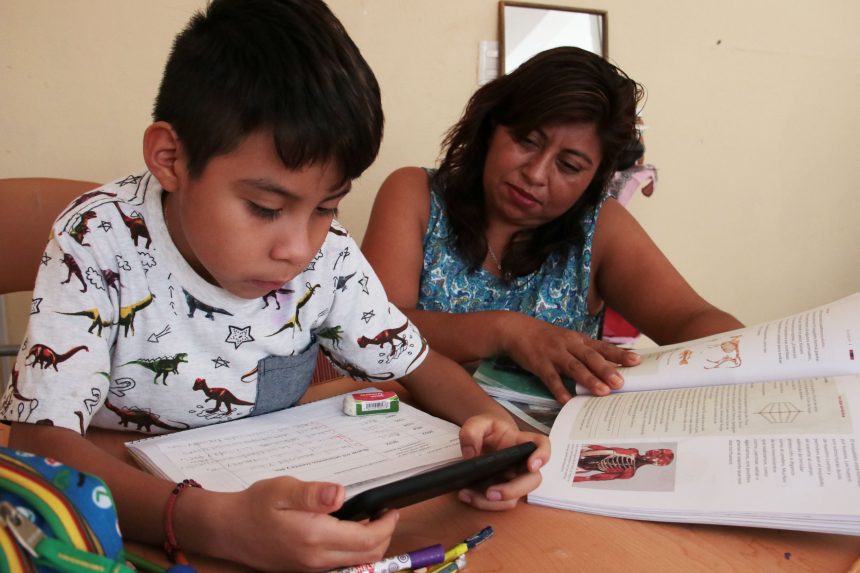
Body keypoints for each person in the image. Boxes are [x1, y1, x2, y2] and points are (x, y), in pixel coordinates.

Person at [0, 1, 548, 571]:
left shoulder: (326, 254)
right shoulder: (98, 238)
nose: (298, 248)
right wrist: (216, 524)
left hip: (276, 506)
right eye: (265, 208)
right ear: (170, 158)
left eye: (326, 207)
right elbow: (40, 444)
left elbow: (414, 361)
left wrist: (495, 432)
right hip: (125, 523)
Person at [362, 47, 743, 403]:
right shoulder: (415, 194)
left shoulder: (601, 225)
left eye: (569, 166)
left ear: (595, 177)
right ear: (492, 125)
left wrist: (761, 354)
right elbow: (374, 330)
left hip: (548, 454)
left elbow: (688, 318)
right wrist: (506, 331)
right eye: (527, 140)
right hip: (411, 441)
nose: (536, 173)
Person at [574, 444, 675, 482]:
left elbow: (592, 478)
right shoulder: (633, 451)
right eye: (659, 449)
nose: (655, 450)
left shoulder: (629, 472)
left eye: (659, 453)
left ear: (658, 463)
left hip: (582, 467)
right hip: (584, 452)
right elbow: (606, 449)